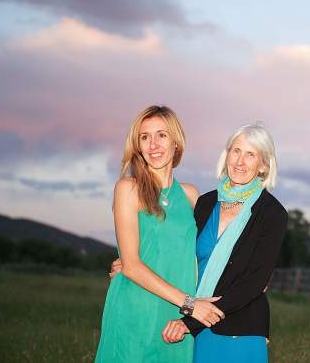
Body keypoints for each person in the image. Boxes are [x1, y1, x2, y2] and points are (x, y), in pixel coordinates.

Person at [95, 105, 224, 363]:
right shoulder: (128, 189)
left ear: (176, 142)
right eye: (145, 137)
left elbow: (206, 254)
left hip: (175, 316)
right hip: (136, 308)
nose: (153, 144)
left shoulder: (190, 196)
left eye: (161, 135)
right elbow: (131, 266)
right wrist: (191, 304)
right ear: (138, 146)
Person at [161, 123, 288, 363]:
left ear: (263, 165)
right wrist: (128, 261)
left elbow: (254, 282)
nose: (240, 161)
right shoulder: (205, 203)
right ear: (227, 154)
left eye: (251, 154)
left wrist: (193, 320)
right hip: (194, 326)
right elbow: (179, 253)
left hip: (239, 329)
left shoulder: (272, 213)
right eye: (236, 151)